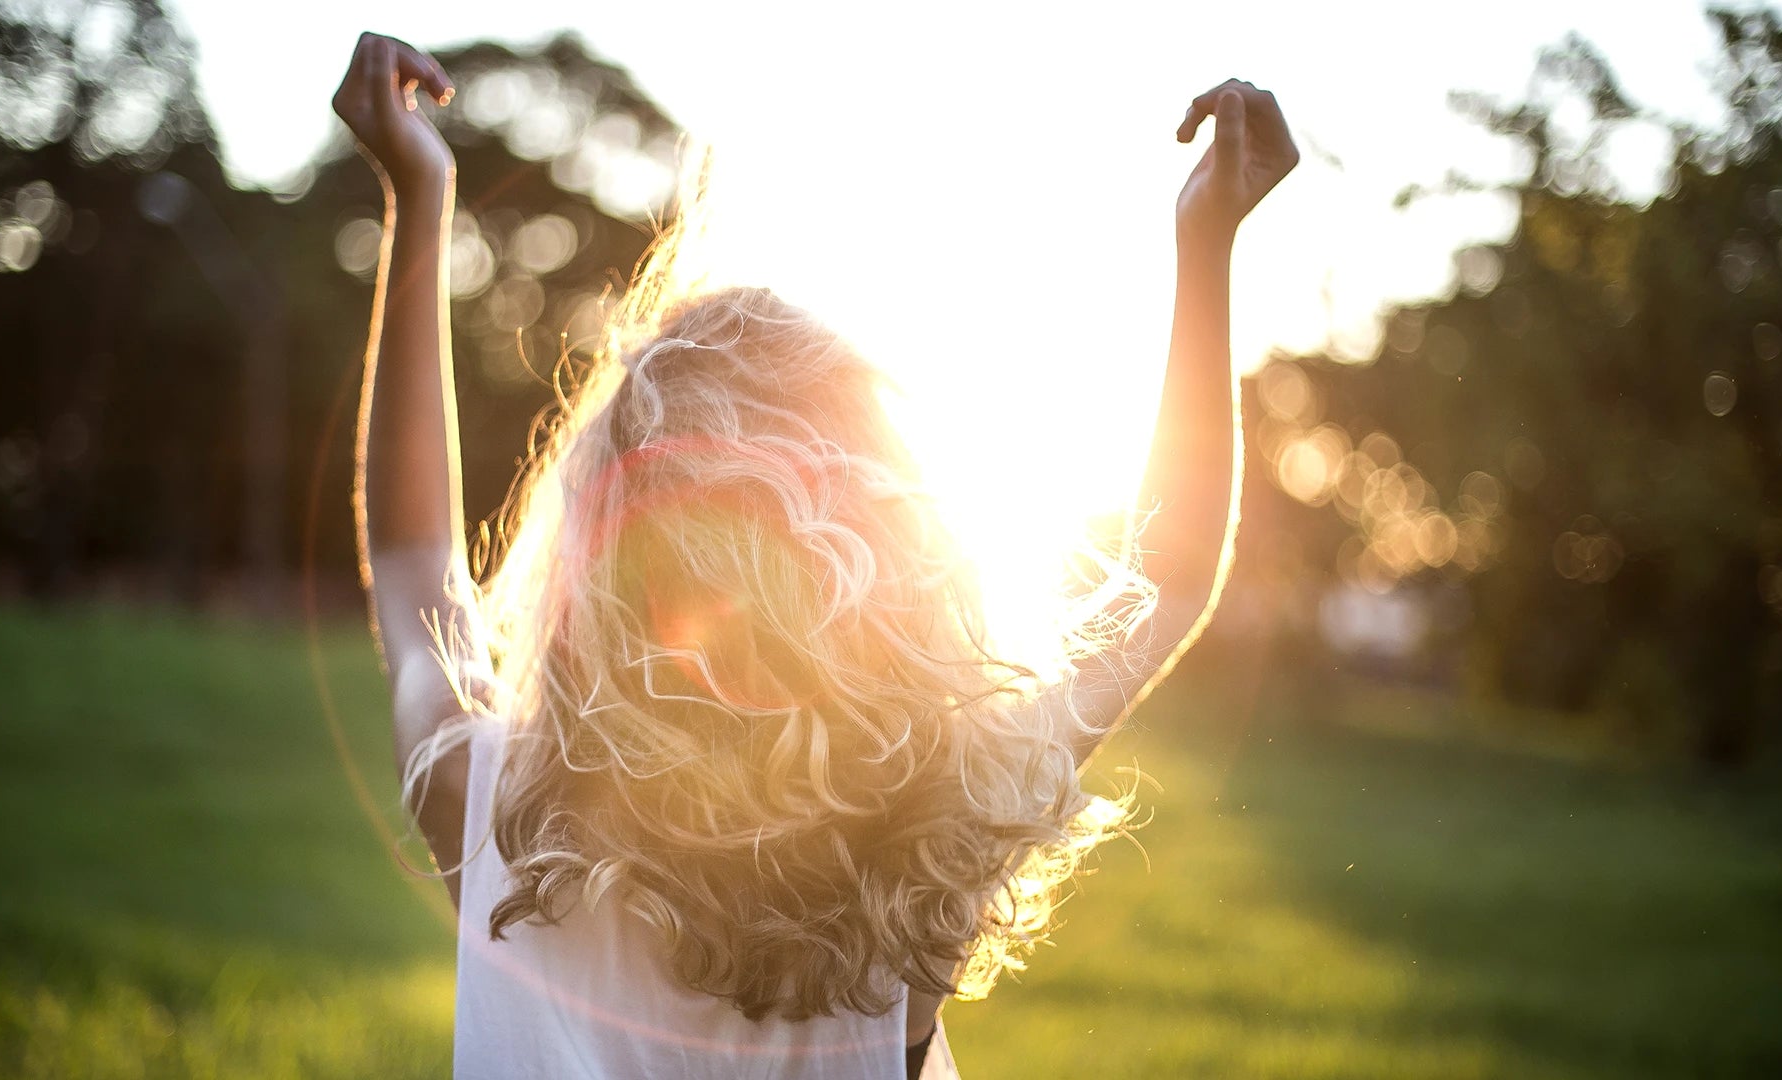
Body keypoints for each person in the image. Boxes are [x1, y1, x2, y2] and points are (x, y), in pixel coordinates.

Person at [333, 30, 1297, 1080]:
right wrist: (1206, 244)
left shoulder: (487, 811)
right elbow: (1168, 573)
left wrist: (418, 200)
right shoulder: (933, 839)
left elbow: (418, 553)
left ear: (600, 576)